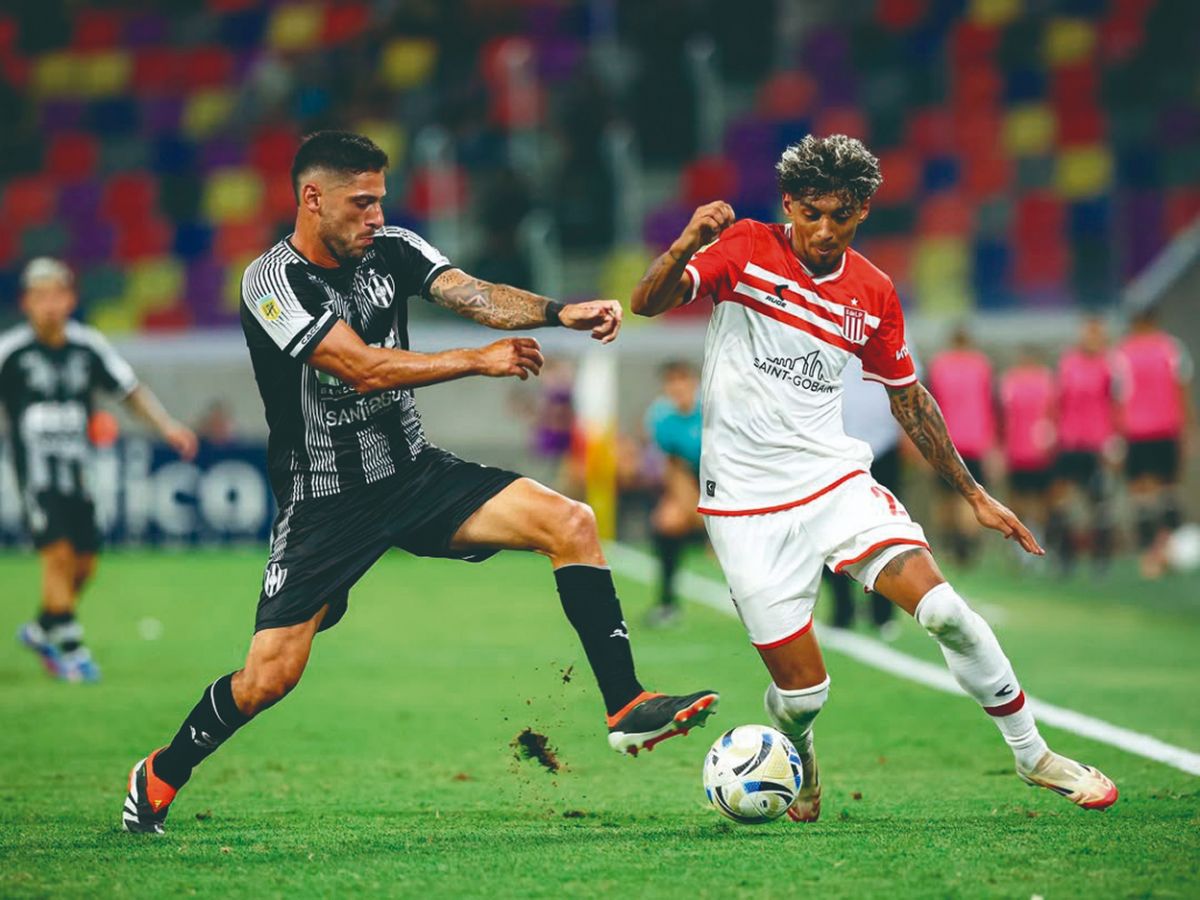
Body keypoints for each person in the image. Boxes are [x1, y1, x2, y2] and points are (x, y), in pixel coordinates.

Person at [121, 131, 717, 835]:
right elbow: (360, 366)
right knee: (268, 678)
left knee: (571, 522)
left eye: (380, 199)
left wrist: (560, 313)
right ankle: (161, 772)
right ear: (312, 199)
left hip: (413, 474)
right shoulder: (270, 282)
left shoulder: (392, 248)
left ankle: (626, 704)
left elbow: (472, 294)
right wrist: (476, 360)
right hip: (325, 501)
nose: (376, 215)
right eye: (360, 202)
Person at [631, 133, 1117, 821]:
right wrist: (686, 242)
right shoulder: (743, 249)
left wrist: (974, 493)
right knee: (804, 697)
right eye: (812, 213)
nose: (824, 230)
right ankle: (800, 751)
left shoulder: (874, 291)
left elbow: (908, 398)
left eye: (842, 215)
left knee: (946, 611)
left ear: (862, 210)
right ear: (789, 204)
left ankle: (1033, 754)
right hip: (742, 505)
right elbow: (645, 302)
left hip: (833, 481)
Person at [0, 258, 198, 682]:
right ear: (27, 302)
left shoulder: (87, 346)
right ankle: (72, 649)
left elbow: (129, 390)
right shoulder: (10, 353)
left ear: (70, 299)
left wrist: (167, 426)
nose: (49, 305)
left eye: (56, 295)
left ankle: (43, 628)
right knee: (57, 554)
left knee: (85, 563)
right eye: (39, 296)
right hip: (35, 475)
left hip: (80, 472)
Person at [821, 352, 907, 637]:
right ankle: (842, 608)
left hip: (883, 446)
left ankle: (883, 612)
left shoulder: (890, 333)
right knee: (832, 531)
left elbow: (906, 382)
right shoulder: (826, 333)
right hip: (836, 445)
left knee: (885, 530)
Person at [1113, 307, 1195, 578]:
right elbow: (1182, 390)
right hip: (1166, 430)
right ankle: (1168, 552)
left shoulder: (1123, 353)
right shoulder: (1172, 348)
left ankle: (1151, 556)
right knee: (1169, 491)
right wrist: (1188, 429)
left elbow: (1118, 397)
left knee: (1142, 495)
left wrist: (1117, 436)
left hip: (1136, 432)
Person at [1048, 317, 1118, 573]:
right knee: (1062, 500)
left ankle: (1100, 558)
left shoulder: (1110, 366)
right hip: (1069, 441)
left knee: (1098, 502)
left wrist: (1115, 438)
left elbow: (1116, 403)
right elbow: (1057, 401)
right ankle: (1065, 555)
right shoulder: (1067, 364)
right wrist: (1051, 430)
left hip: (1097, 443)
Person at [927, 326, 996, 566]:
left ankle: (948, 543)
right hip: (975, 441)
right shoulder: (981, 366)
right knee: (970, 495)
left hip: (944, 441)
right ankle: (966, 547)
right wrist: (991, 442)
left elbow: (929, 404)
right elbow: (991, 404)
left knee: (945, 496)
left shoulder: (939, 366)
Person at [644, 360, 705, 627]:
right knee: (667, 522)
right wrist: (699, 515)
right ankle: (667, 602)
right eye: (671, 382)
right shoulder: (661, 417)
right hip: (692, 481)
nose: (678, 387)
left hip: (733, 478)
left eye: (683, 380)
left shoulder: (714, 407)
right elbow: (675, 470)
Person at [998, 348, 1057, 558]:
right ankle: (1025, 545)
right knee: (1024, 500)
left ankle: (1034, 543)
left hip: (1033, 451)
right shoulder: (1019, 381)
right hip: (1021, 451)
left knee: (1036, 500)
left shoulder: (1035, 382)